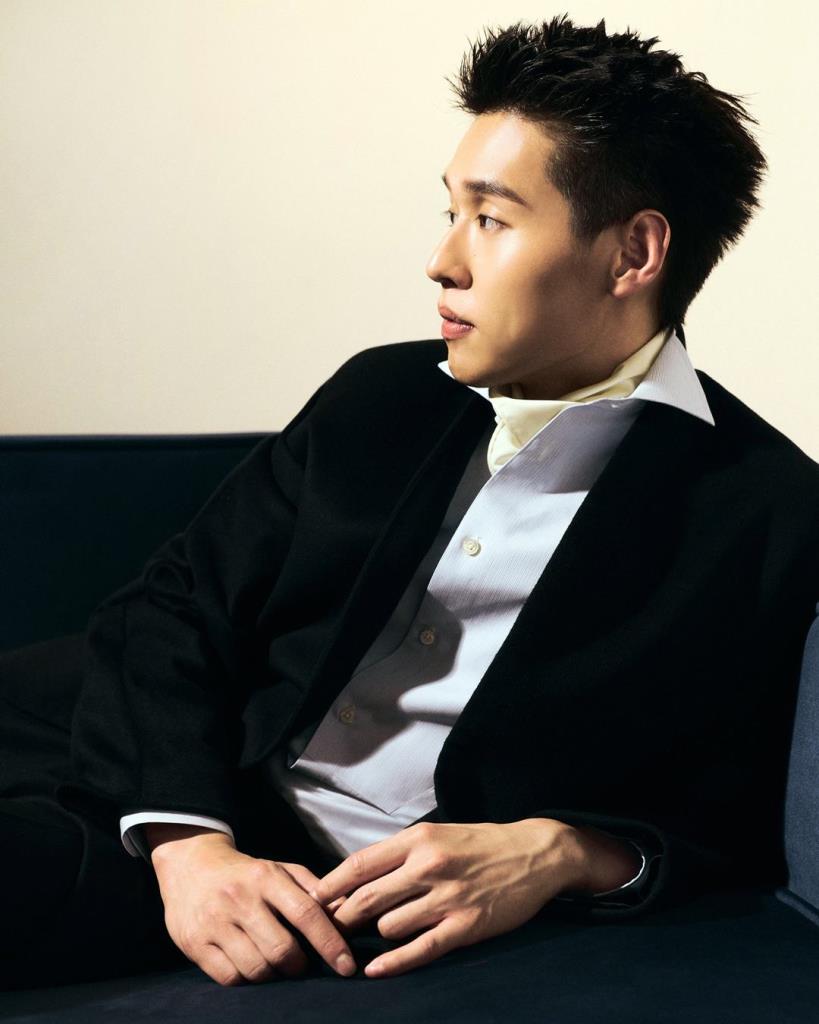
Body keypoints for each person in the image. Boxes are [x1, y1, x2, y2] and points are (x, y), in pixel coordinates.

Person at [2, 13, 818, 992]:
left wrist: (561, 850)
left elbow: (740, 811)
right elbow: (175, 604)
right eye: (450, 211)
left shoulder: (766, 511)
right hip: (170, 793)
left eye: (492, 219)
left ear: (632, 254)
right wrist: (190, 845)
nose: (443, 260)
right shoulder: (380, 395)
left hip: (347, 904)